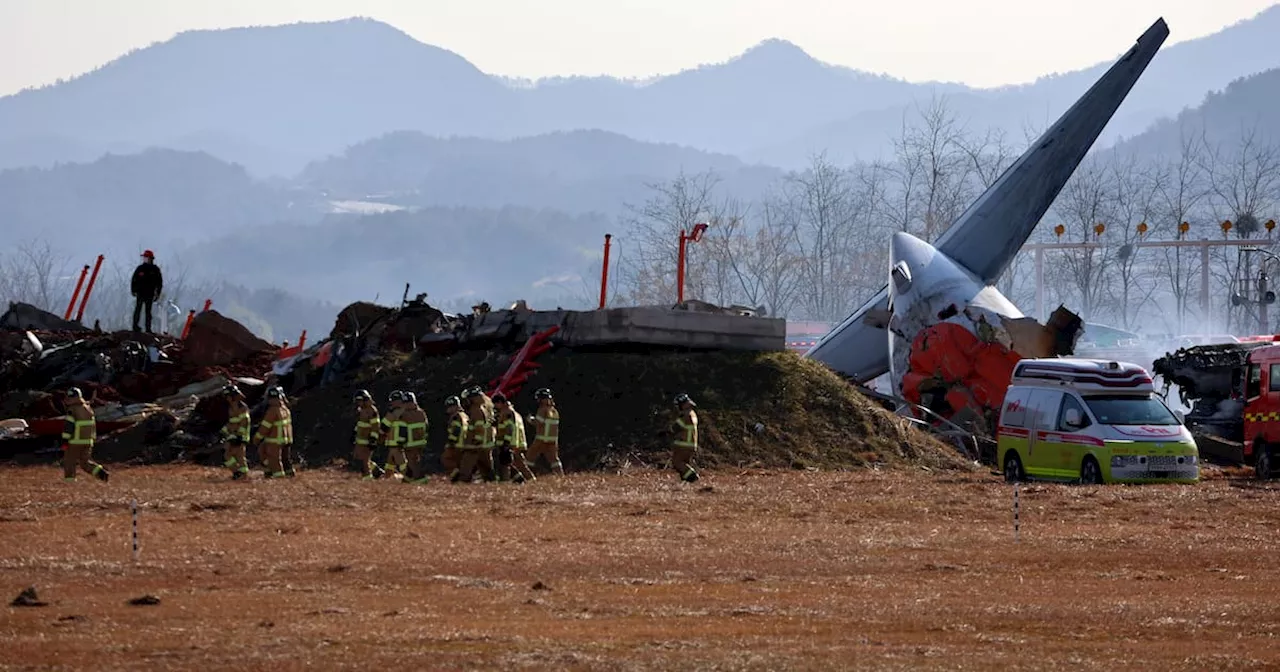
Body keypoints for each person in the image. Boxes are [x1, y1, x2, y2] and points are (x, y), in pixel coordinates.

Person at [61, 387, 109, 482]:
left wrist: (65, 441)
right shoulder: (88, 409)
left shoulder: (72, 410)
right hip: (88, 441)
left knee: (69, 461)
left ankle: (69, 481)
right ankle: (101, 474)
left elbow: (69, 427)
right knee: (85, 463)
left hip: (75, 441)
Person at [454, 387, 495, 483]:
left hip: (474, 446)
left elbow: (479, 427)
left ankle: (461, 484)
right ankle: (491, 483)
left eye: (467, 399)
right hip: (483, 445)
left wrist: (476, 440)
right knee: (486, 469)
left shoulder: (476, 410)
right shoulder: (483, 409)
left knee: (465, 467)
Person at [494, 393, 532, 483]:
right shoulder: (514, 413)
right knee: (519, 464)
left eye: (495, 404)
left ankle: (507, 482)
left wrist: (506, 442)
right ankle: (529, 480)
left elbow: (509, 428)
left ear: (500, 402)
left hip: (509, 443)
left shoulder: (507, 412)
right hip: (516, 442)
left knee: (505, 464)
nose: (495, 406)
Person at [252, 387, 290, 479]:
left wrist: (256, 438)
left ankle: (279, 477)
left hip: (274, 440)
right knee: (263, 451)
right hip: (284, 438)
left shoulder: (272, 411)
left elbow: (265, 427)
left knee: (274, 460)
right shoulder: (284, 409)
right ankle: (271, 471)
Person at [527, 388, 563, 477]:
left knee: (529, 457)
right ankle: (561, 476)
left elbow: (538, 423)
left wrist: (530, 419)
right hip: (553, 440)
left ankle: (526, 476)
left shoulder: (542, 409)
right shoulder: (554, 411)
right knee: (554, 460)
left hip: (541, 438)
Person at [220, 385, 251, 480]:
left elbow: (244, 422)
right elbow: (232, 422)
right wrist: (223, 431)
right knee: (228, 455)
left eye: (228, 396)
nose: (227, 399)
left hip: (240, 436)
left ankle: (243, 475)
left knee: (240, 456)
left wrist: (239, 436)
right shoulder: (231, 408)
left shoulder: (242, 407)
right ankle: (238, 472)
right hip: (233, 435)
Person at [352, 390, 384, 480]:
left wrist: (373, 439)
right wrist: (355, 433)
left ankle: (368, 478)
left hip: (368, 440)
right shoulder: (360, 410)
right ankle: (377, 471)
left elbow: (376, 426)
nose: (358, 402)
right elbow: (360, 423)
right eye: (357, 400)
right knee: (357, 457)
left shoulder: (372, 411)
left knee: (364, 460)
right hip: (360, 439)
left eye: (360, 400)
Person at [399, 392, 430, 484]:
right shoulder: (422, 413)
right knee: (413, 462)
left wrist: (400, 442)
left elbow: (402, 430)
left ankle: (420, 480)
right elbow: (427, 427)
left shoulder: (404, 415)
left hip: (410, 444)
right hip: (421, 443)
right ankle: (407, 480)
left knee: (413, 463)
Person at [130, 250, 163, 334]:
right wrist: (133, 290)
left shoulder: (155, 270)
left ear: (151, 259)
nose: (144, 259)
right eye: (144, 257)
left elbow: (159, 283)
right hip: (140, 293)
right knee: (138, 309)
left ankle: (148, 328)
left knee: (148, 312)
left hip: (150, 293)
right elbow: (134, 280)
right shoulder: (140, 268)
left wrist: (157, 293)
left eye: (146, 257)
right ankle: (135, 326)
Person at [670, 393, 700, 483]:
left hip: (684, 444)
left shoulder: (685, 415)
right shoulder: (692, 413)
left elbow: (675, 428)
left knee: (677, 463)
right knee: (684, 465)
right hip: (690, 444)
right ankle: (686, 481)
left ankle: (693, 477)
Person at [378, 390, 407, 479]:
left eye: (393, 400)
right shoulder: (405, 410)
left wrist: (380, 434)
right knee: (390, 462)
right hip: (397, 441)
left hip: (396, 441)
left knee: (401, 462)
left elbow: (385, 425)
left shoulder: (395, 412)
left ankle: (410, 477)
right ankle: (387, 477)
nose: (392, 403)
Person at [442, 396, 468, 477]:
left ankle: (455, 476)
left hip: (456, 445)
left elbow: (456, 430)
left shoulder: (455, 416)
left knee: (446, 459)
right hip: (464, 444)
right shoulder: (464, 415)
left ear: (454, 406)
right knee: (459, 463)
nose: (447, 409)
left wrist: (451, 442)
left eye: (449, 407)